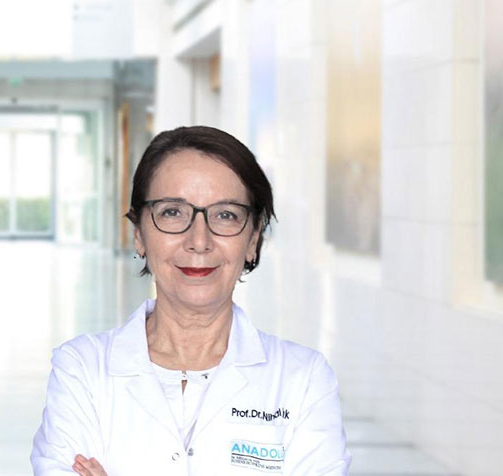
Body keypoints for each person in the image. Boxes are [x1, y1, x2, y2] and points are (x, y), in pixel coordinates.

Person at [31, 126, 350, 475]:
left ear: (253, 239)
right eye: (172, 212)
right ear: (139, 234)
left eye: (225, 214)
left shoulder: (304, 380)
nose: (199, 240)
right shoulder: (81, 370)